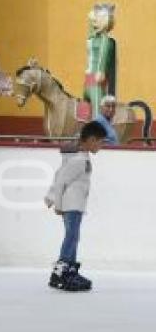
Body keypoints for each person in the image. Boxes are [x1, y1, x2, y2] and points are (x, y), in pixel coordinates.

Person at [44, 121, 108, 291]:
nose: (101, 146)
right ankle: (59, 273)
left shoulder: (82, 158)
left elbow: (60, 174)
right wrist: (56, 202)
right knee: (71, 237)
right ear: (92, 140)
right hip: (71, 205)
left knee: (73, 237)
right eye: (101, 142)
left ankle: (70, 271)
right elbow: (61, 181)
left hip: (77, 205)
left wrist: (51, 198)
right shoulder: (78, 160)